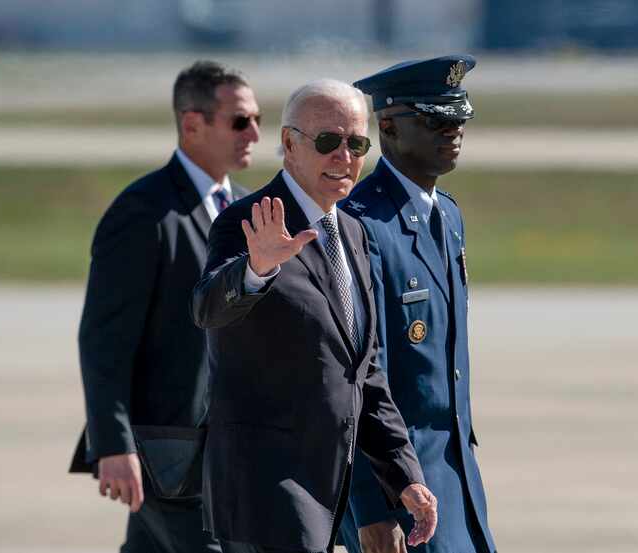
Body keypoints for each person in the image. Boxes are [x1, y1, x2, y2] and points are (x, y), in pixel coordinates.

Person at [191, 79, 438, 553]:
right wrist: (256, 268)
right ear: (288, 143)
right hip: (266, 486)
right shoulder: (251, 219)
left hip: (329, 486)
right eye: (328, 141)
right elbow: (207, 308)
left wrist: (404, 474)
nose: (344, 157)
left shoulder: (354, 234)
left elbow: (364, 373)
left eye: (356, 143)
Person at [68, 60, 260, 553]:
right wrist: (113, 443)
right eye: (240, 120)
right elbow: (103, 340)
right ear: (192, 124)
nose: (255, 132)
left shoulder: (242, 209)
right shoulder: (144, 213)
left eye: (257, 118)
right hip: (165, 451)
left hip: (222, 451)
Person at [337, 56, 497, 553]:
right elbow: (357, 375)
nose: (453, 131)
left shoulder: (447, 216)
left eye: (458, 119)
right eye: (435, 120)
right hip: (399, 489)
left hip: (453, 478)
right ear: (388, 127)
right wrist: (373, 508)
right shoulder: (360, 226)